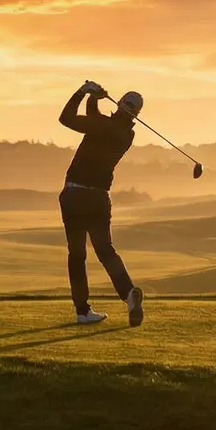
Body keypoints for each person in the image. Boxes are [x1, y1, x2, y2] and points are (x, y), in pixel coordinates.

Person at [57, 80, 144, 326]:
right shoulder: (126, 135)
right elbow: (94, 119)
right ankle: (128, 294)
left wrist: (83, 92)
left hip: (75, 195)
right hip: (99, 198)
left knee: (77, 254)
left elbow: (66, 118)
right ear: (136, 114)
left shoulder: (102, 126)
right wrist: (94, 98)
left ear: (120, 104)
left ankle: (82, 311)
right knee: (106, 250)